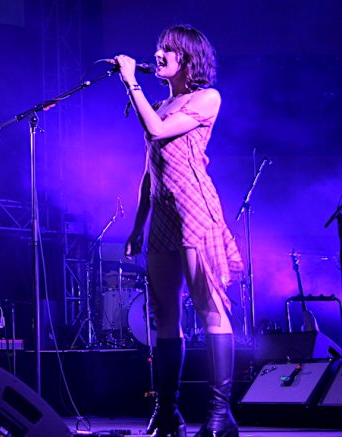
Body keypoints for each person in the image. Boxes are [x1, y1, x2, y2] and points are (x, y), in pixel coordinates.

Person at [114, 25, 244, 437]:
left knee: (209, 309)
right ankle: (167, 412)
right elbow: (149, 172)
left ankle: (221, 416)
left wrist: (131, 82)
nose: (158, 54)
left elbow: (157, 131)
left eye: (167, 49)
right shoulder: (160, 103)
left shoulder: (207, 98)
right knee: (164, 316)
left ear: (188, 58)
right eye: (158, 48)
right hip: (163, 216)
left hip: (195, 209)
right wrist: (137, 225)